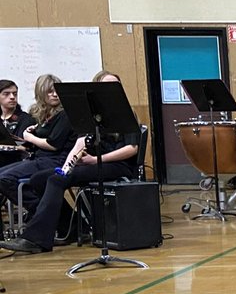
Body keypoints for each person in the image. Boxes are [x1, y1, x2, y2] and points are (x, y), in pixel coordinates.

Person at [3, 71, 137, 255]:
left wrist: (95, 160)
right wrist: (66, 168)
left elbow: (132, 148)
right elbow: (80, 142)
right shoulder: (93, 114)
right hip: (93, 162)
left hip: (118, 165)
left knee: (55, 181)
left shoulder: (125, 111)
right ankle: (70, 226)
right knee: (39, 179)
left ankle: (36, 239)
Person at [0, 74, 74, 210]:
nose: (55, 95)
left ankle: (43, 212)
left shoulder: (65, 114)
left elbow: (53, 144)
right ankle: (45, 212)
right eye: (50, 92)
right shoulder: (44, 114)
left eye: (57, 91)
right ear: (41, 93)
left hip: (56, 160)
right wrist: (34, 131)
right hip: (39, 158)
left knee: (4, 179)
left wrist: (29, 137)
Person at [0, 79, 36, 168]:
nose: (12, 97)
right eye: (6, 94)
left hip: (15, 161)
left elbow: (22, 146)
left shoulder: (25, 119)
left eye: (15, 94)